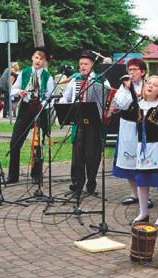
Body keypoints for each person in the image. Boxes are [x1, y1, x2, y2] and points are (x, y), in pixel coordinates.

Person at [61, 50, 110, 194]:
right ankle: (77, 183)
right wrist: (65, 103)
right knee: (78, 153)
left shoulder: (102, 80)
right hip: (78, 122)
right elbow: (66, 97)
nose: (82, 66)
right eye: (81, 64)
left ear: (92, 65)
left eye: (86, 64)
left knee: (92, 154)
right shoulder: (75, 80)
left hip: (95, 123)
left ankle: (91, 183)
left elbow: (108, 99)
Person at [5, 47, 54, 185]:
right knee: (15, 141)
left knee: (39, 143)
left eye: (41, 58)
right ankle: (12, 175)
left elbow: (51, 97)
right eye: (36, 57)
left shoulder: (47, 76)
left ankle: (36, 174)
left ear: (44, 61)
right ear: (32, 58)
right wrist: (20, 91)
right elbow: (12, 90)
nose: (38, 61)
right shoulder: (24, 73)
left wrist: (42, 104)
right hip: (26, 109)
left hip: (41, 110)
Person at [112, 58, 152, 208]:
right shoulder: (124, 87)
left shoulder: (148, 85)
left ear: (142, 72)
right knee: (129, 159)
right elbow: (120, 104)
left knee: (143, 161)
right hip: (127, 126)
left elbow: (146, 102)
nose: (132, 73)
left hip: (143, 126)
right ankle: (134, 193)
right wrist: (128, 88)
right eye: (130, 70)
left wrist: (133, 92)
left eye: (135, 70)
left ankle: (145, 195)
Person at [130, 75, 158, 226]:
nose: (151, 86)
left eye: (155, 85)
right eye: (149, 83)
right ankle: (143, 212)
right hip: (142, 148)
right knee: (141, 181)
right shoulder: (139, 105)